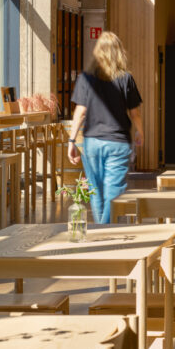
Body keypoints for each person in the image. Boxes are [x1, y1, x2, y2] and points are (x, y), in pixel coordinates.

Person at [67, 31, 143, 224]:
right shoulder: (126, 79)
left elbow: (80, 112)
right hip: (117, 143)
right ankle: (104, 231)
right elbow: (135, 113)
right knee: (113, 191)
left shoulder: (86, 79)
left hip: (91, 143)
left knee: (96, 191)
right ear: (119, 53)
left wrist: (72, 140)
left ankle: (101, 231)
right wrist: (140, 131)